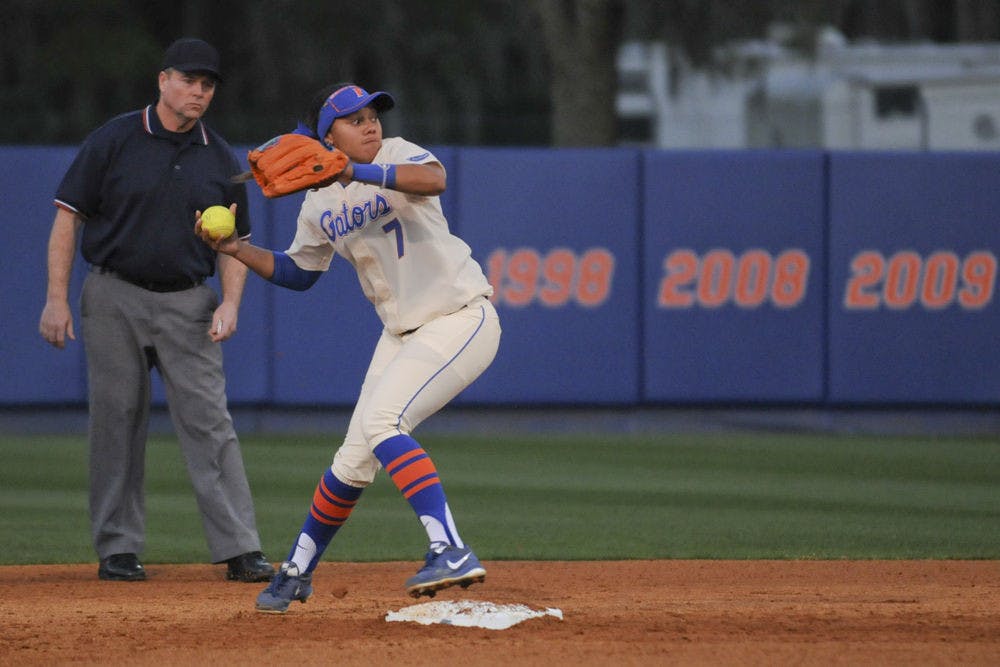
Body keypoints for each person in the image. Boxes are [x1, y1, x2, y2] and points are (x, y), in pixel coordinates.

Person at [196, 83, 501, 613]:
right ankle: (296, 570)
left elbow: (435, 179)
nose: (370, 124)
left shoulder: (396, 155)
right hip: (401, 333)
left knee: (384, 422)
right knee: (353, 459)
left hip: (460, 317)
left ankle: (449, 548)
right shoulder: (317, 204)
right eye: (352, 119)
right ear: (324, 135)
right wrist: (236, 248)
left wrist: (352, 170)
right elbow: (299, 272)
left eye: (371, 114)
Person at [38, 37, 274, 584]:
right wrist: (56, 299)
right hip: (113, 295)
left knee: (211, 423)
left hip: (189, 300)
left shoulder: (219, 155)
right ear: (163, 80)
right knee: (116, 421)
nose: (198, 91)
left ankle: (241, 548)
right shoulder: (115, 138)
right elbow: (67, 217)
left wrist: (232, 302)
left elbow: (234, 242)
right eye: (189, 79)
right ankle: (118, 549)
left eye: (207, 83)